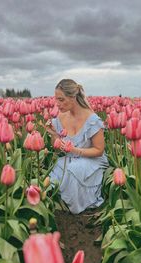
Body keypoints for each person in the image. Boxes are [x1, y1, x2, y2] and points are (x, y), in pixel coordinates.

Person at [46, 79, 109, 214]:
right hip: (70, 158)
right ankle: (60, 206)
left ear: (73, 97)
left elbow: (99, 150)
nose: (57, 104)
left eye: (61, 100)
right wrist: (53, 134)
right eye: (56, 99)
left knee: (73, 169)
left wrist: (75, 150)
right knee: (58, 165)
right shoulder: (61, 117)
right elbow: (57, 146)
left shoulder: (92, 119)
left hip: (92, 160)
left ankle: (78, 208)